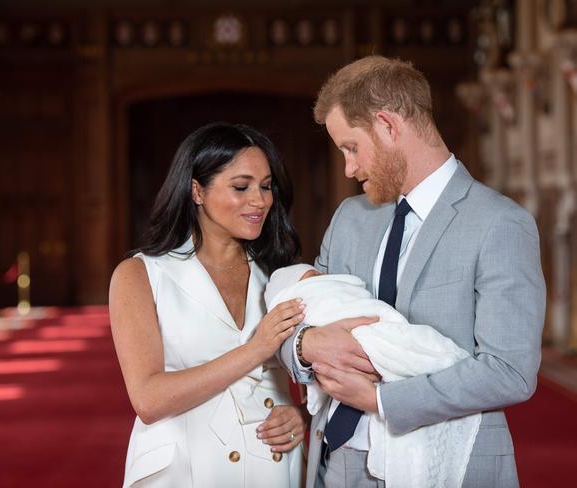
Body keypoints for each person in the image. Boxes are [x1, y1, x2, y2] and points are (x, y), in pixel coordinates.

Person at [279, 55, 545, 488]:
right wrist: (306, 344)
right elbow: (296, 317)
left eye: (351, 147)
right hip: (335, 458)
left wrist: (383, 400)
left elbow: (509, 371)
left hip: (445, 462)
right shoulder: (350, 216)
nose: (348, 168)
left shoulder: (499, 223)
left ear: (388, 125)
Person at [109, 122, 307, 488]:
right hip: (183, 471)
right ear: (197, 191)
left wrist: (302, 416)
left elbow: (321, 380)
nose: (260, 200)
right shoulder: (140, 275)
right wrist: (254, 350)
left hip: (273, 468)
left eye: (266, 187)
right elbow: (148, 400)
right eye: (240, 187)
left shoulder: (281, 275)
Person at [266, 263, 481, 488]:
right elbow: (281, 329)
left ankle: (436, 356)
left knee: (415, 348)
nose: (321, 277)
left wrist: (378, 399)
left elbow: (509, 372)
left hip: (418, 434)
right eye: (314, 278)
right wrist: (306, 342)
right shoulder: (341, 229)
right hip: (339, 455)